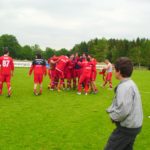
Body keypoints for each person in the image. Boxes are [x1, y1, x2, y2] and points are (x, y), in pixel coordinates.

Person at [104, 57, 143, 150]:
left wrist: (113, 116)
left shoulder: (124, 87)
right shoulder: (130, 83)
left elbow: (123, 110)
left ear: (119, 71)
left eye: (114, 69)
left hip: (127, 128)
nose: (113, 72)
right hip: (134, 126)